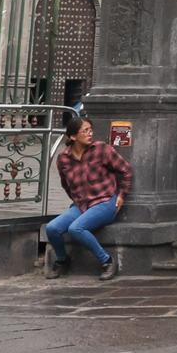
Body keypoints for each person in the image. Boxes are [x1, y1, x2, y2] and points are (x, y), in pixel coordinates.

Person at [46, 117, 133, 281]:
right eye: (85, 131)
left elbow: (126, 170)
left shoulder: (101, 149)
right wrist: (77, 200)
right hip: (81, 205)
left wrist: (122, 195)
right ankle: (63, 260)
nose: (90, 133)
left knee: (75, 228)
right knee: (52, 228)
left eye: (90, 130)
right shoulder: (63, 158)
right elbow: (66, 184)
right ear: (72, 136)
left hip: (105, 202)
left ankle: (106, 260)